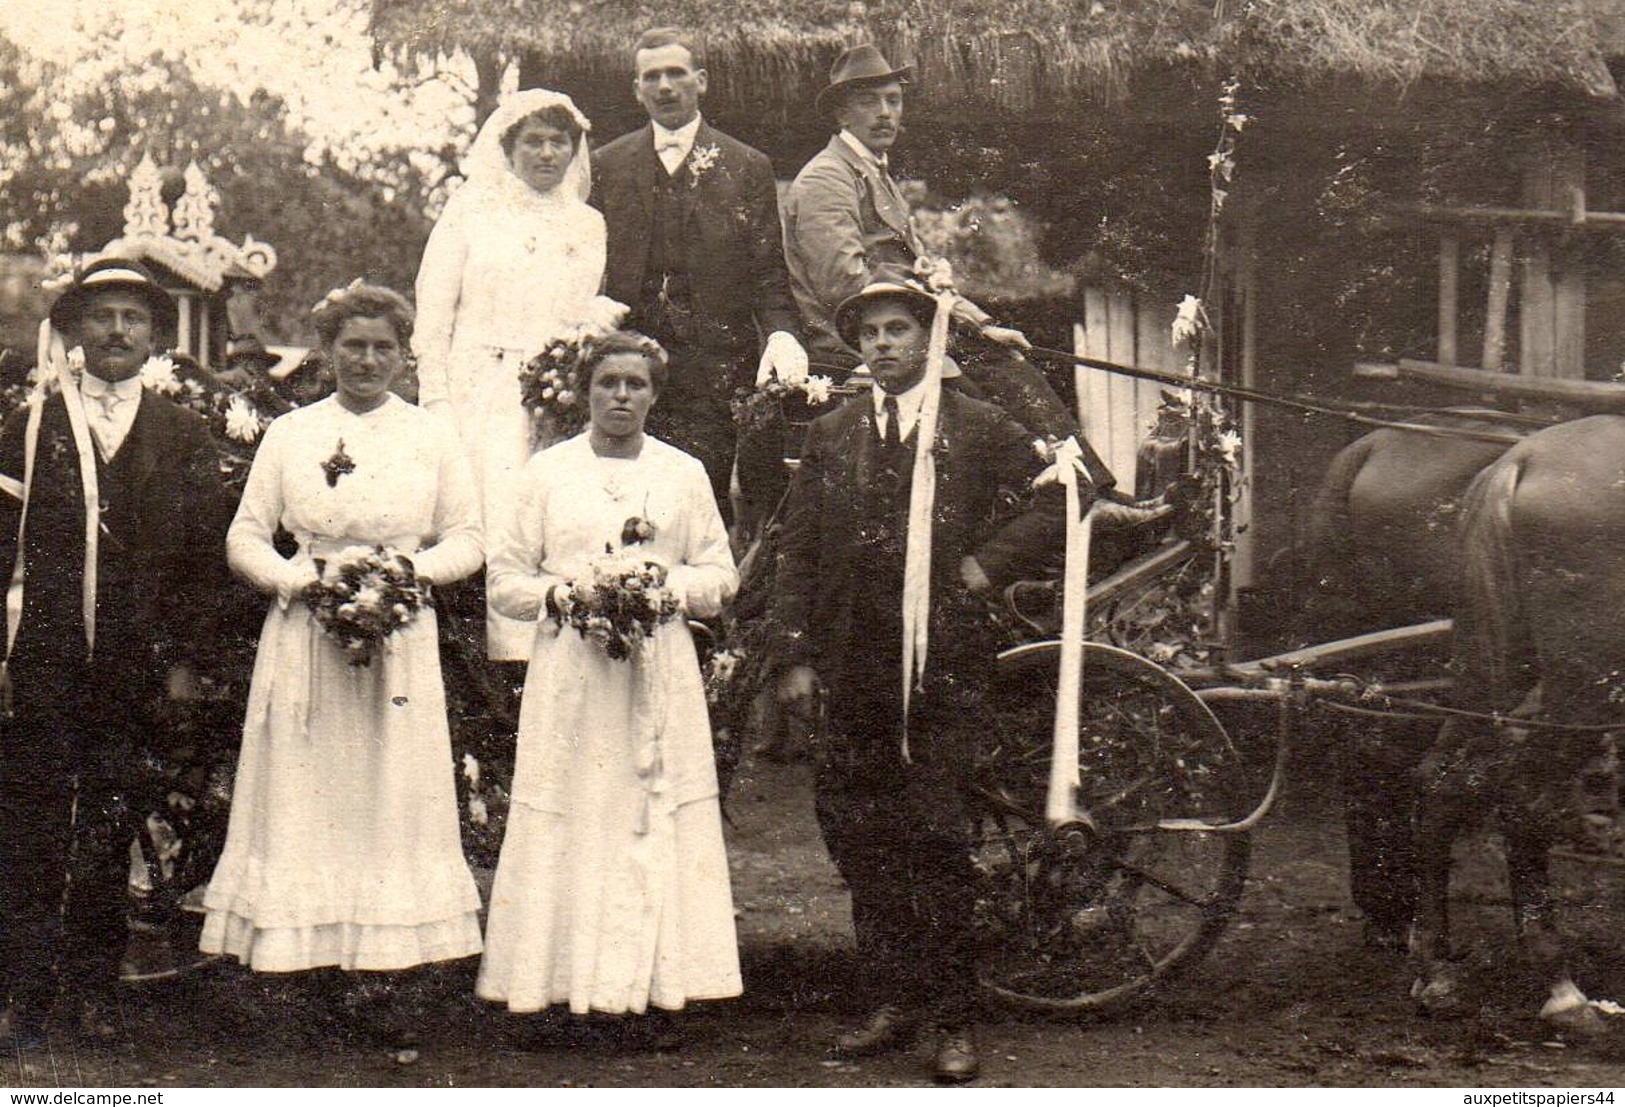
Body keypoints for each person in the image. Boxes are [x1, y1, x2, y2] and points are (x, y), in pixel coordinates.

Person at [773, 279, 1074, 1083]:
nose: (882, 344)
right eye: (868, 332)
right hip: (851, 661)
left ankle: (951, 1016)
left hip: (942, 663)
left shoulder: (974, 425)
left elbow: (1062, 494)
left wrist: (984, 565)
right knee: (860, 834)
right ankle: (890, 1002)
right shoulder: (835, 433)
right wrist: (796, 655)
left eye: (897, 328)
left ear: (927, 338)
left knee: (937, 836)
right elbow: (797, 549)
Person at [199, 283, 484, 1042]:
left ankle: (387, 977)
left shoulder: (432, 435)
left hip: (398, 634)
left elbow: (467, 537)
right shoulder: (291, 433)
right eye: (352, 345)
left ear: (402, 354)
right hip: (307, 634)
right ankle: (301, 975)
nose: (366, 360)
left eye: (382, 347)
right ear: (327, 350)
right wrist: (300, 582)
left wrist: (405, 578)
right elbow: (246, 537)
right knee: (307, 792)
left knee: (388, 794)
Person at [477, 330, 740, 1032]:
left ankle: (659, 991)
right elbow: (505, 581)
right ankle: (554, 991)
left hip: (658, 673)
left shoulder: (683, 472)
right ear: (584, 391)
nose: (621, 396)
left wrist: (661, 588)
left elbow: (719, 574)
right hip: (573, 672)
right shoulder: (545, 473)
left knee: (650, 812)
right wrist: (568, 595)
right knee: (575, 806)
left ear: (654, 394)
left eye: (634, 384)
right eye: (607, 383)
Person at [0, 258, 234, 1043]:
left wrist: (181, 661)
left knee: (108, 818)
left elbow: (203, 561)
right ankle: (20, 991)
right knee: (30, 815)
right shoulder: (31, 425)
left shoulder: (183, 431)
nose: (116, 331)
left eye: (133, 318)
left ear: (154, 337)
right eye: (101, 316)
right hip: (45, 656)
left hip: (138, 664)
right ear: (71, 332)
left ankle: (92, 988)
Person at [415, 88, 622, 662]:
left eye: (560, 142)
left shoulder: (588, 224)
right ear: (509, 148)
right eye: (534, 141)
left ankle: (545, 661)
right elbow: (433, 314)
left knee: (552, 520)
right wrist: (437, 401)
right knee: (484, 521)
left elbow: (580, 310)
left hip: (556, 396)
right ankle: (488, 672)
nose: (548, 154)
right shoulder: (471, 212)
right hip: (479, 389)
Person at [782, 45, 1075, 438]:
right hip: (859, 341)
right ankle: (1080, 492)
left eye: (893, 100)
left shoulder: (876, 173)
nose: (885, 112)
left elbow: (923, 273)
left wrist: (984, 326)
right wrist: (951, 324)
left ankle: (1085, 490)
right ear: (841, 114)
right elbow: (844, 284)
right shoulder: (828, 178)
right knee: (989, 395)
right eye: (869, 102)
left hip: (903, 330)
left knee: (1005, 362)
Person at [591, 28, 806, 519]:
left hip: (714, 372)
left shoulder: (746, 165)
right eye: (652, 76)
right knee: (624, 500)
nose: (664, 86)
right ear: (636, 89)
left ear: (701, 81)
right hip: (630, 372)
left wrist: (782, 335)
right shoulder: (607, 164)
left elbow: (769, 273)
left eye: (676, 73)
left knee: (700, 504)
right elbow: (584, 264)